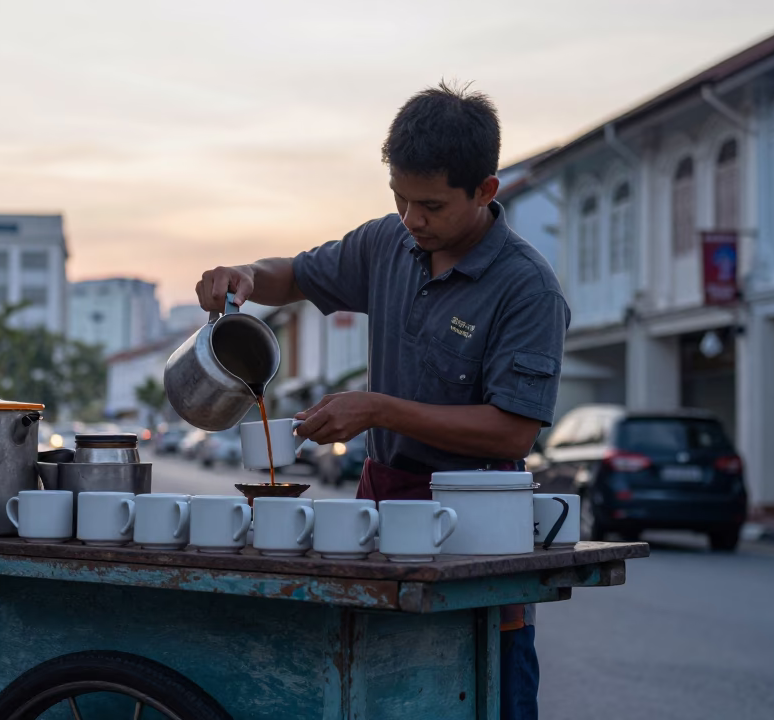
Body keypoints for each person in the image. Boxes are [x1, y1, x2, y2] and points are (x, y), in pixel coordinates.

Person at [195, 81, 569, 719]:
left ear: (486, 190)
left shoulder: (526, 290)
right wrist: (248, 276)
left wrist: (378, 408)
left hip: (477, 525)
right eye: (399, 198)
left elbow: (511, 433)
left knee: (484, 691)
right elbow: (298, 274)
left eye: (431, 204)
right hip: (383, 512)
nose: (413, 219)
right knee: (372, 692)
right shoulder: (387, 244)